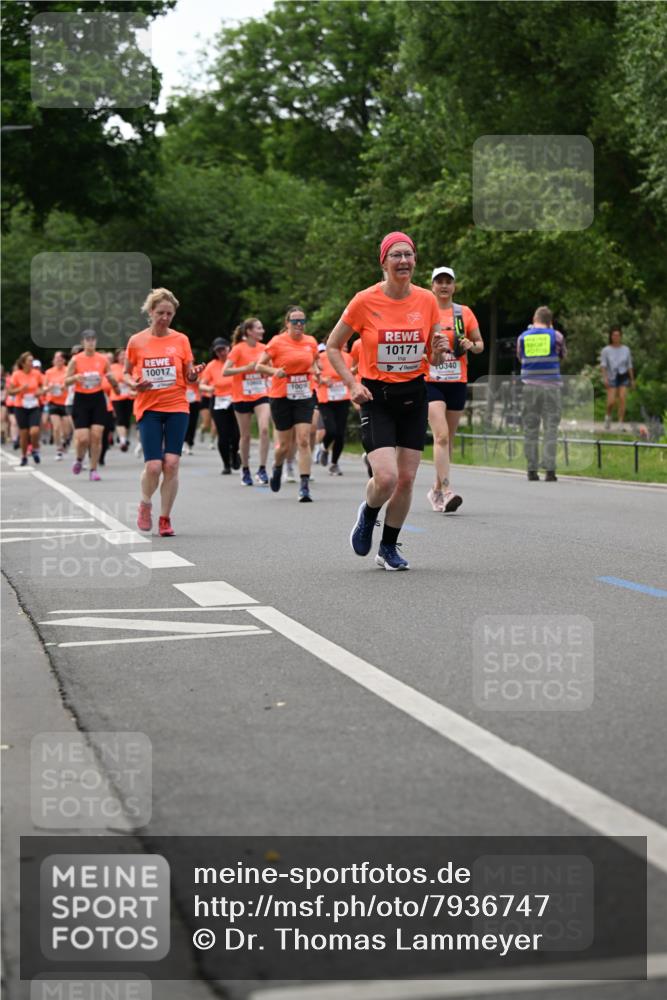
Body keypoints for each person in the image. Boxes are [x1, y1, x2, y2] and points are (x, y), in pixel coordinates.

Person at [327, 231, 445, 569]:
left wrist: (436, 353)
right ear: (384, 262)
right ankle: (368, 512)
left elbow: (432, 359)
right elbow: (333, 346)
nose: (404, 261)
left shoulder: (426, 301)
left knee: (406, 479)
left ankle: (388, 547)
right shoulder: (365, 301)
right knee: (387, 478)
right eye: (396, 255)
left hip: (414, 393)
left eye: (408, 255)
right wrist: (351, 383)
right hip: (376, 395)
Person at [125, 288, 205, 535]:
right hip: (149, 407)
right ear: (150, 312)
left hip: (177, 406)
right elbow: (126, 372)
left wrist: (193, 375)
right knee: (153, 467)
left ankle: (165, 518)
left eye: (169, 314)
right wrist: (133, 384)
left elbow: (189, 372)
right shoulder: (137, 341)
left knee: (171, 464)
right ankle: (145, 503)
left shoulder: (181, 340)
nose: (165, 318)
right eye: (160, 312)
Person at [426, 266, 484, 512]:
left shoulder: (464, 313)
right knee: (440, 436)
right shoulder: (425, 312)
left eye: (448, 281)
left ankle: (435, 490)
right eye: (439, 281)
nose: (443, 286)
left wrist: (471, 345)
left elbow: (481, 345)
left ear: (454, 286)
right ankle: (448, 490)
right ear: (432, 286)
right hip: (431, 381)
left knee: (448, 441)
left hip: (457, 381)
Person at [256, 306, 320, 502]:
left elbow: (314, 362)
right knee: (283, 446)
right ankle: (277, 467)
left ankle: (304, 486)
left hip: (304, 395)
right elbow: (259, 366)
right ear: (287, 323)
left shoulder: (311, 342)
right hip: (281, 395)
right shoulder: (277, 342)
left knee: (303, 439)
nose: (299, 324)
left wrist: (316, 370)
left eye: (302, 321)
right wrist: (275, 372)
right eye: (295, 321)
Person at [516, 305, 566, 482]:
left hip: (529, 387)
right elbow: (562, 356)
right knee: (551, 428)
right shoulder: (556, 336)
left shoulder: (523, 337)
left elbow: (520, 357)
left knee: (531, 428)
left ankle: (531, 470)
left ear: (534, 320)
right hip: (551, 387)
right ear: (550, 322)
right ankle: (550, 471)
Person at [65, 331, 120, 480]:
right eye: (87, 340)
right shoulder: (76, 360)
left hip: (97, 399)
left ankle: (93, 469)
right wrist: (75, 377)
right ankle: (79, 459)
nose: (90, 342)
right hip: (81, 399)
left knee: (96, 436)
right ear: (82, 342)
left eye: (93, 339)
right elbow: (66, 381)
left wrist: (114, 383)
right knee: (83, 438)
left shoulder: (102, 360)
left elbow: (111, 377)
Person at [224, 318, 271, 485]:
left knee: (265, 429)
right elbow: (226, 371)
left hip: (260, 393)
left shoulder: (264, 348)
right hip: (242, 395)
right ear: (249, 331)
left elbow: (270, 367)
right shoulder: (238, 349)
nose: (262, 331)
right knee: (245, 436)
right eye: (259, 328)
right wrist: (246, 368)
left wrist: (268, 371)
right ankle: (245, 469)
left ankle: (262, 468)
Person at [200, 338, 241, 474]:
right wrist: (209, 388)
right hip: (218, 401)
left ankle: (234, 454)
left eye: (223, 349)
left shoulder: (235, 362)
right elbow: (201, 384)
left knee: (236, 434)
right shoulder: (212, 365)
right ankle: (226, 464)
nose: (221, 352)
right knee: (223, 434)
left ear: (229, 348)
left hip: (236, 400)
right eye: (218, 350)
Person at [315, 341, 353, 475]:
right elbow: (313, 375)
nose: (344, 344)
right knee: (331, 430)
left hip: (343, 398)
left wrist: (349, 379)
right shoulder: (322, 356)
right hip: (326, 399)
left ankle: (334, 464)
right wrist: (323, 380)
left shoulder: (348, 357)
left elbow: (351, 373)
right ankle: (324, 448)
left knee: (340, 434)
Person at [7, 351, 46, 466]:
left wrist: (39, 392)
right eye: (29, 360)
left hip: (34, 406)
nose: (31, 363)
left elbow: (42, 388)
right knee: (24, 433)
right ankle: (24, 456)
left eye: (32, 360)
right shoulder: (17, 374)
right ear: (23, 363)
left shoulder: (36, 374)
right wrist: (20, 389)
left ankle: (34, 449)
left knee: (34, 431)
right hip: (21, 406)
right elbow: (10, 391)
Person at [600, 327, 635, 429]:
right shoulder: (606, 350)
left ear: (621, 336)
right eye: (614, 335)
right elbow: (603, 365)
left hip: (623, 375)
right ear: (611, 337)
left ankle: (620, 422)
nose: (616, 337)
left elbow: (629, 365)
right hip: (612, 376)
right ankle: (608, 417)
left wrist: (632, 379)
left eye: (618, 335)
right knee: (611, 401)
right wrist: (605, 378)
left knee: (623, 398)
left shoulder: (626, 349)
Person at [43, 350, 71, 460]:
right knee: (56, 427)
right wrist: (49, 388)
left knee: (66, 429)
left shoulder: (68, 370)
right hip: (53, 402)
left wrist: (65, 387)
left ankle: (65, 440)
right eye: (56, 359)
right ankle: (59, 449)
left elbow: (71, 385)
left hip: (65, 402)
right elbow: (44, 388)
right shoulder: (49, 372)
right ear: (53, 361)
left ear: (64, 360)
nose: (58, 361)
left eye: (61, 359)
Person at [109, 348, 134, 451]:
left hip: (129, 396)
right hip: (117, 397)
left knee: (127, 419)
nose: (123, 357)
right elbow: (111, 381)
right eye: (121, 355)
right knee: (120, 418)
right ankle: (123, 441)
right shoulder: (112, 367)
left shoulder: (131, 366)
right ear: (117, 357)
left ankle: (123, 437)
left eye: (125, 355)